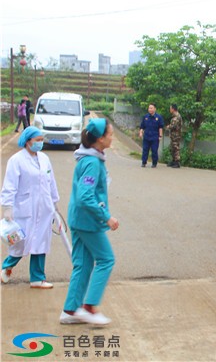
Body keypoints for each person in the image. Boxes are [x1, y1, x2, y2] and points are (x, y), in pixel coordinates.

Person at [60, 118, 119, 325]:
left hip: (80, 219)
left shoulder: (89, 158)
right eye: (110, 134)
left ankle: (70, 310)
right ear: (100, 139)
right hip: (87, 222)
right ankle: (89, 307)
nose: (112, 137)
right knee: (106, 259)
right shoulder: (92, 162)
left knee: (83, 265)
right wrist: (107, 218)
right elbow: (86, 196)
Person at [1, 126, 59, 289]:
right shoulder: (16, 160)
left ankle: (37, 278)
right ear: (27, 141)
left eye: (42, 140)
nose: (40, 143)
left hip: (44, 209)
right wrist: (7, 207)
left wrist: (55, 203)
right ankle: (6, 267)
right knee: (19, 243)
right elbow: (9, 186)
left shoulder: (45, 159)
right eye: (37, 140)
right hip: (24, 210)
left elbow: (51, 182)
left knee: (40, 243)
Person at [139, 103, 164, 168]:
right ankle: (144, 162)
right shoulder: (146, 117)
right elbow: (142, 126)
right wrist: (141, 132)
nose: (150, 109)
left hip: (155, 137)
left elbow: (160, 127)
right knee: (145, 150)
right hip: (146, 136)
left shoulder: (158, 117)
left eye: (151, 108)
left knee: (154, 151)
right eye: (149, 108)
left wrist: (160, 136)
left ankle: (154, 163)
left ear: (155, 109)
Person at [166, 103, 183, 168]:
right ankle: (173, 161)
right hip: (173, 135)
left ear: (173, 109)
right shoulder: (174, 116)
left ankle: (177, 162)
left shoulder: (177, 116)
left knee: (176, 148)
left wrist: (168, 126)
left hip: (176, 135)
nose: (170, 110)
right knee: (172, 148)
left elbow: (173, 125)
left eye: (170, 108)